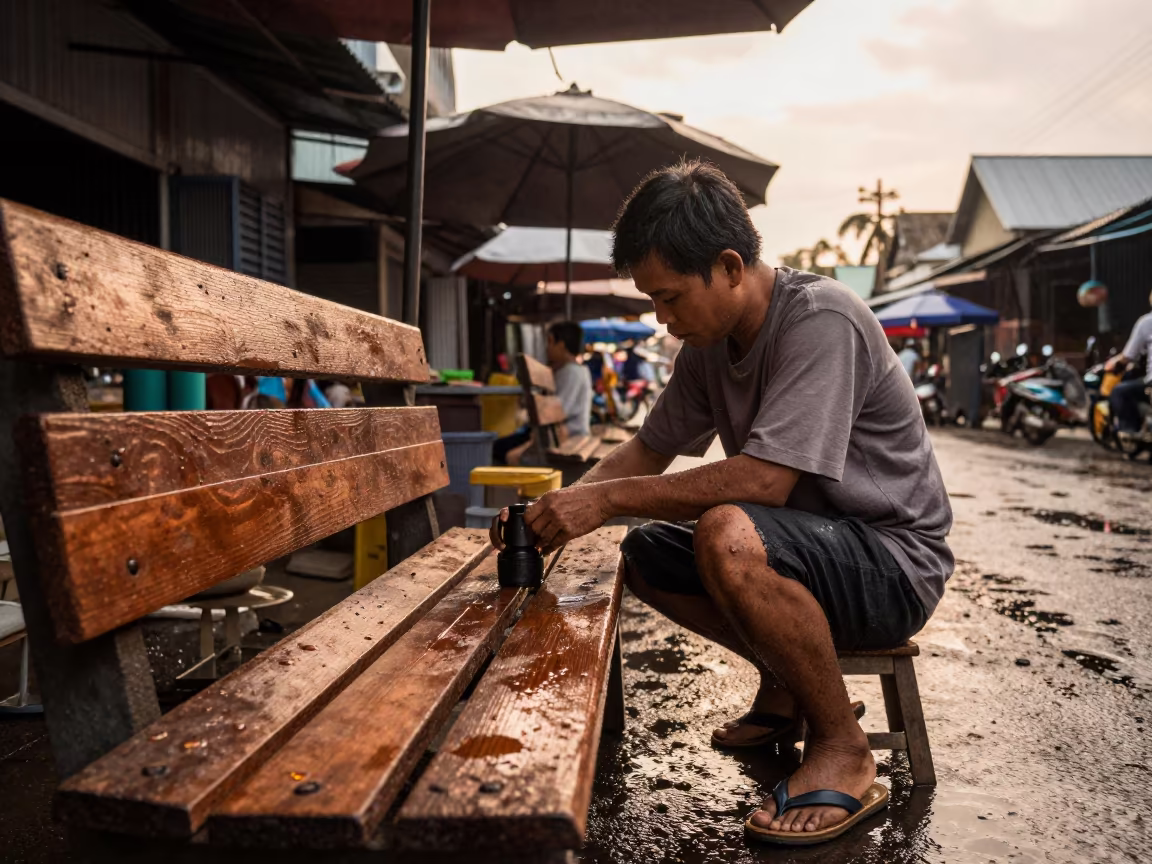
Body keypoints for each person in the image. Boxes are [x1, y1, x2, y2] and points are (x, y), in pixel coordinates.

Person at [491, 160, 952, 846]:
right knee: (645, 554)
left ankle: (843, 746)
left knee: (727, 533)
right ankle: (788, 682)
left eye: (671, 298)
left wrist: (609, 498)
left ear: (731, 267)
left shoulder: (822, 319)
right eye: (653, 301)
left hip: (891, 561)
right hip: (812, 546)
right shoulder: (709, 349)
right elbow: (649, 451)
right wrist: (561, 508)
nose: (664, 319)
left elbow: (764, 482)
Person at [1106, 290, 1152, 435]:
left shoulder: (1146, 322)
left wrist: (1113, 363)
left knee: (1119, 391)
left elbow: (1128, 355)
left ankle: (1129, 430)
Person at [547, 320, 593, 438]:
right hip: (571, 433)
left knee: (509, 454)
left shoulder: (571, 371)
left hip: (571, 434)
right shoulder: (577, 369)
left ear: (561, 345)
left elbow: (560, 410)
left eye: (550, 341)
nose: (547, 348)